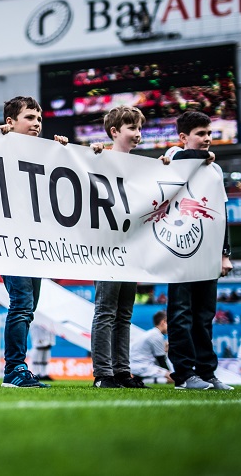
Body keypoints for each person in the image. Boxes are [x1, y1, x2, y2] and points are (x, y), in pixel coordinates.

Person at [160, 110, 234, 391]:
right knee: (180, 314)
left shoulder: (215, 169)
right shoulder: (173, 158)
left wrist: (225, 253)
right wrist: (202, 156)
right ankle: (184, 375)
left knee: (204, 316)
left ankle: (207, 373)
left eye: (209, 133)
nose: (207, 139)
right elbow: (180, 157)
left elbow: (221, 213)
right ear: (183, 138)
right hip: (180, 249)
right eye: (200, 134)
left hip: (208, 251)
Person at [0, 96, 66, 388]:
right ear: (10, 122)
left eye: (39, 119)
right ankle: (14, 370)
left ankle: (18, 369)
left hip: (34, 244)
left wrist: (65, 153)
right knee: (22, 304)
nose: (36, 123)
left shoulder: (44, 153)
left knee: (29, 306)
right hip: (10, 241)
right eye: (29, 118)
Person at [90, 105, 145, 389]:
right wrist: (93, 152)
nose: (138, 134)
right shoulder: (98, 157)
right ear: (114, 132)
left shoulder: (141, 167)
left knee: (124, 314)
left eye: (139, 128)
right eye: (132, 128)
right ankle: (103, 374)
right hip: (106, 249)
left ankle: (122, 371)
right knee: (106, 311)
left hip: (130, 249)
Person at [130, 310, 173, 384]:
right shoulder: (156, 335)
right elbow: (161, 360)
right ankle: (140, 380)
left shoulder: (152, 333)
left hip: (138, 365)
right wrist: (169, 373)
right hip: (142, 367)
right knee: (173, 378)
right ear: (163, 322)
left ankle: (139, 379)